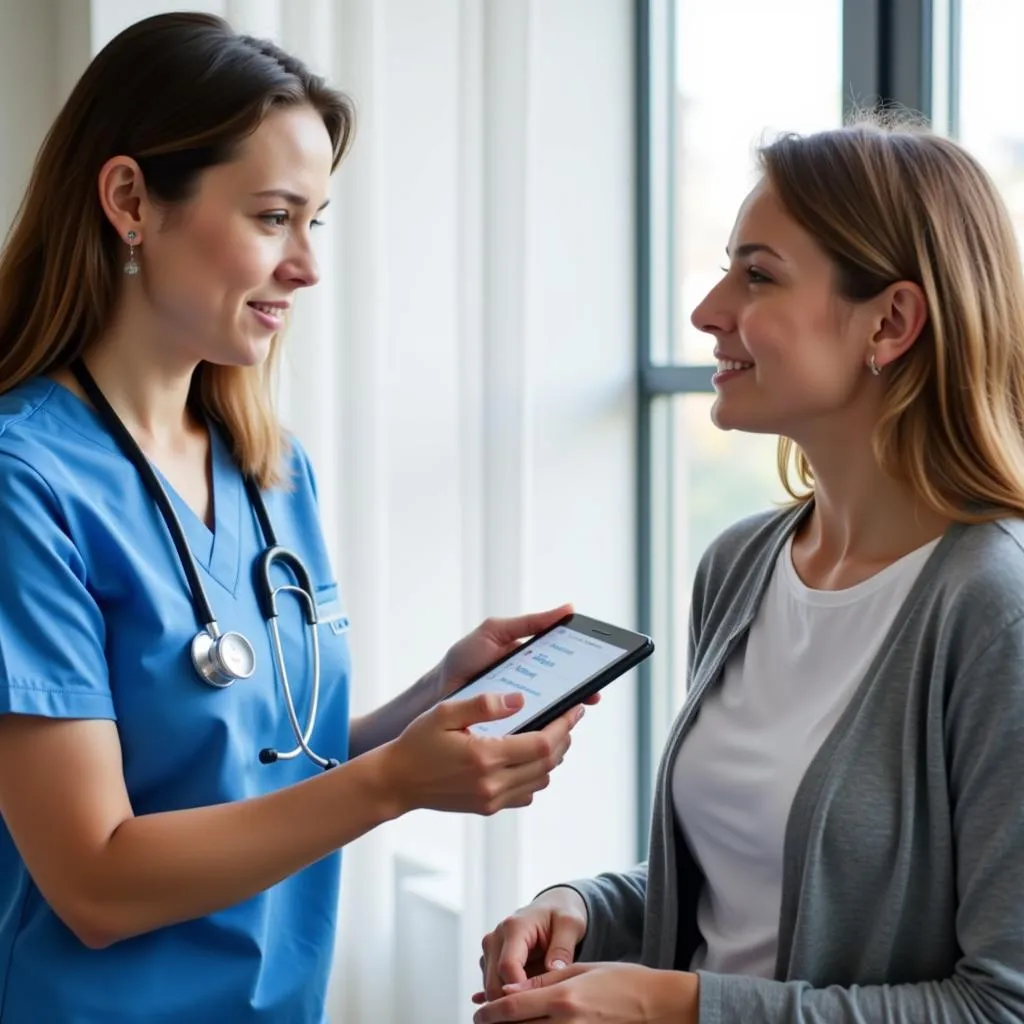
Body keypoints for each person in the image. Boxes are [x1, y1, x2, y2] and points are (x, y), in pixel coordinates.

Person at [0, 12, 590, 1024]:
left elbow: (259, 764)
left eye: (315, 221)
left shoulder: (270, 468)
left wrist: (427, 702)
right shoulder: (26, 482)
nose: (308, 265)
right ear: (131, 199)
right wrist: (398, 784)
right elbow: (94, 882)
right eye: (274, 217)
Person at [473, 114, 1024, 1023]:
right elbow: (765, 886)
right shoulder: (741, 566)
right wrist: (582, 907)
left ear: (890, 321)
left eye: (757, 274)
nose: (706, 311)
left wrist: (677, 1007)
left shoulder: (994, 610)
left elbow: (999, 1006)